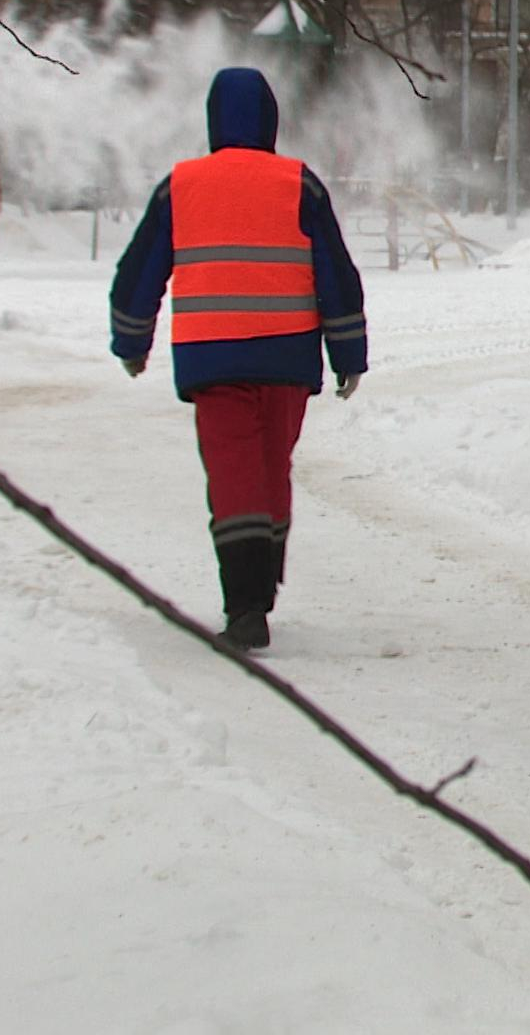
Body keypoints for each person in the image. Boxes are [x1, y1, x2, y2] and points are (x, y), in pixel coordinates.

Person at [109, 67, 368, 651]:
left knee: (234, 477)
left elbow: (139, 271)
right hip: (288, 360)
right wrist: (348, 350)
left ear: (212, 120)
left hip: (214, 358)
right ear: (272, 120)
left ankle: (246, 603)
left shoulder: (181, 185)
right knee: (271, 470)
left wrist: (132, 339)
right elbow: (336, 274)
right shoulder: (299, 184)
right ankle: (262, 582)